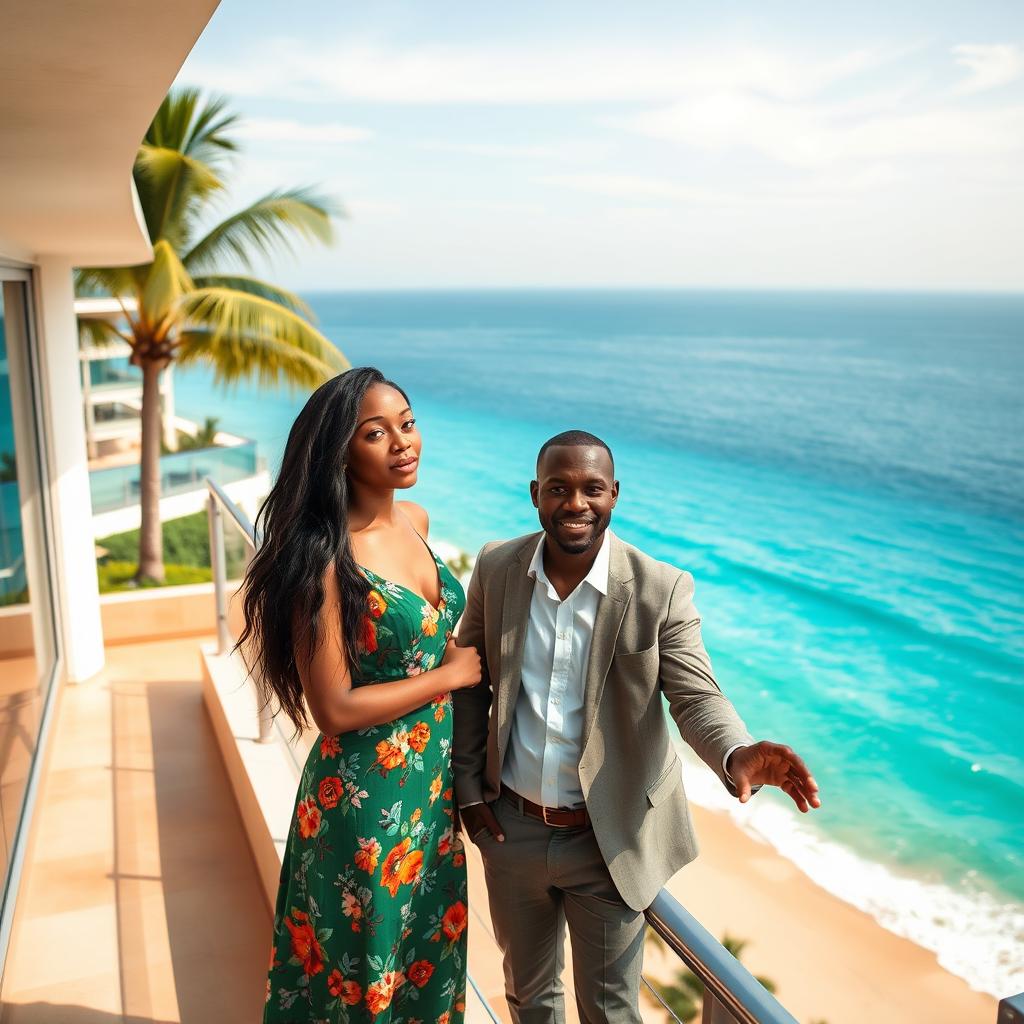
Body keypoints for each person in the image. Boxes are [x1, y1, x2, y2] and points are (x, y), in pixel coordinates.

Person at [453, 429, 820, 1024]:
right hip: (511, 827)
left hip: (608, 840)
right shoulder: (497, 566)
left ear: (615, 495)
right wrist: (469, 790)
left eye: (592, 488)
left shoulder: (660, 589)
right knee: (527, 995)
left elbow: (695, 695)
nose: (576, 503)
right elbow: (470, 680)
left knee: (611, 1011)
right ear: (535, 494)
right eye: (559, 488)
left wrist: (738, 753)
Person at [240, 367, 481, 1024]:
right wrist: (450, 677)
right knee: (366, 976)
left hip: (430, 798)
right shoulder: (323, 557)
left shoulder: (419, 520)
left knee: (427, 961)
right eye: (376, 433)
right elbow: (334, 710)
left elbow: (428, 636)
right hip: (363, 808)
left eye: (407, 423)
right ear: (340, 450)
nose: (403, 442)